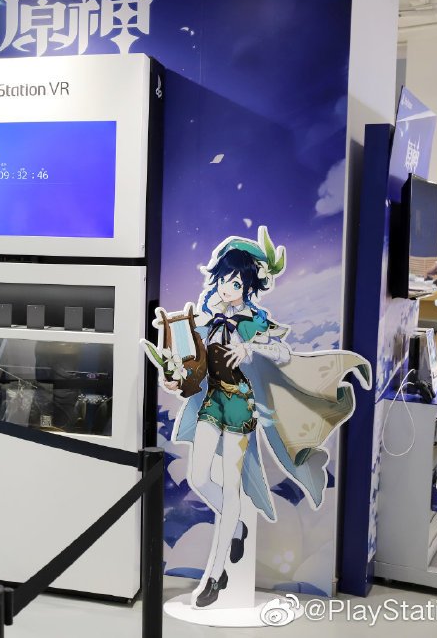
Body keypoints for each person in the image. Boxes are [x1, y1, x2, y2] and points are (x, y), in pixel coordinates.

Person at [144, 227, 370, 608]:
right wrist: (173, 378)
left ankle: (216, 575)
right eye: (224, 280)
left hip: (240, 407)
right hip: (211, 402)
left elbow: (283, 352)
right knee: (199, 477)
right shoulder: (207, 316)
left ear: (248, 287)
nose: (227, 288)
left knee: (231, 487)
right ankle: (236, 522)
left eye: (236, 283)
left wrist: (251, 350)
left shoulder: (253, 320)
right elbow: (189, 361)